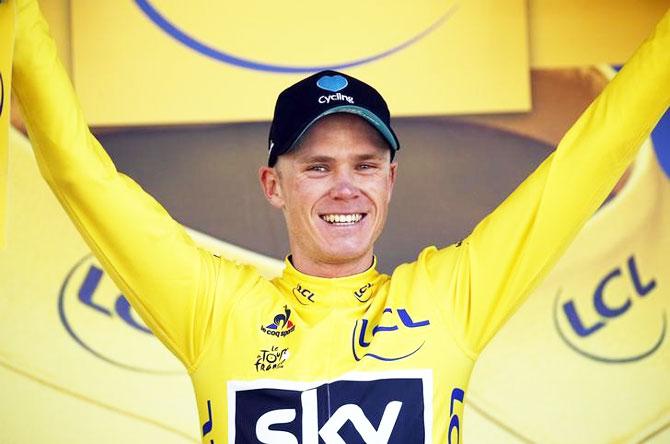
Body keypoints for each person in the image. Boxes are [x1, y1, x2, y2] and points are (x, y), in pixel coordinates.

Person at [11, 0, 669, 441]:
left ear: (390, 179)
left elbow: (590, 158)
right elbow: (76, 171)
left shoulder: (448, 300)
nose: (345, 187)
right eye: (318, 167)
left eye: (365, 163)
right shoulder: (214, 308)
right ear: (274, 184)